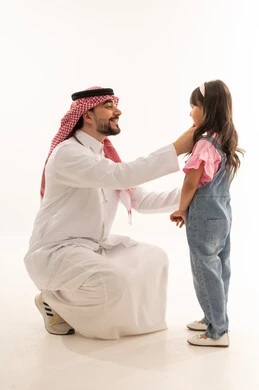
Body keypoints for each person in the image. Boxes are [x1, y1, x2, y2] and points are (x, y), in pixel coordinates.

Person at [24, 86, 195, 340]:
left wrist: (195, 192)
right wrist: (176, 148)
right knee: (111, 282)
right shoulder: (68, 154)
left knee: (154, 258)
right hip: (56, 253)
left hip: (93, 246)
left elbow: (141, 199)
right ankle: (52, 300)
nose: (118, 111)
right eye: (108, 105)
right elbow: (120, 175)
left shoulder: (105, 156)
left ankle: (121, 323)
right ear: (87, 115)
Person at [170, 80, 244, 347]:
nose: (190, 112)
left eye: (194, 106)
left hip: (204, 215)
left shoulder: (204, 144)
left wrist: (180, 209)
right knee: (219, 268)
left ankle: (217, 331)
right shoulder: (223, 138)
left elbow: (192, 182)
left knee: (204, 270)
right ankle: (214, 318)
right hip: (222, 213)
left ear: (207, 108)